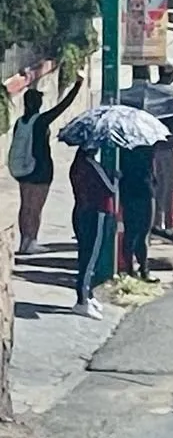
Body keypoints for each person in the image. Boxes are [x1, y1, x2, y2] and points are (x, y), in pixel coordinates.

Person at [7, 74, 83, 254]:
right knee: (36, 207)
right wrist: (77, 86)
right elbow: (63, 106)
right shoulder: (40, 121)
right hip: (40, 169)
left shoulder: (20, 122)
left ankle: (24, 241)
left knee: (25, 206)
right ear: (37, 104)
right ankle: (31, 241)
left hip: (23, 169)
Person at [68, 146, 116, 319]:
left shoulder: (77, 165)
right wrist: (115, 176)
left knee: (85, 255)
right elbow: (111, 188)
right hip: (95, 213)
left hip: (81, 210)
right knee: (90, 259)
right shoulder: (92, 166)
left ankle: (88, 295)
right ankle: (82, 301)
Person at [119, 142, 157, 281]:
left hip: (128, 189)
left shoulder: (121, 144)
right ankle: (142, 269)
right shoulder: (148, 143)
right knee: (141, 232)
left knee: (132, 231)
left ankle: (133, 269)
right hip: (143, 189)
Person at [150, 121, 173, 240]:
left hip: (156, 150)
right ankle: (170, 226)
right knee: (171, 189)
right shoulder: (171, 109)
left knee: (159, 188)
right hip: (169, 149)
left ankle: (158, 223)